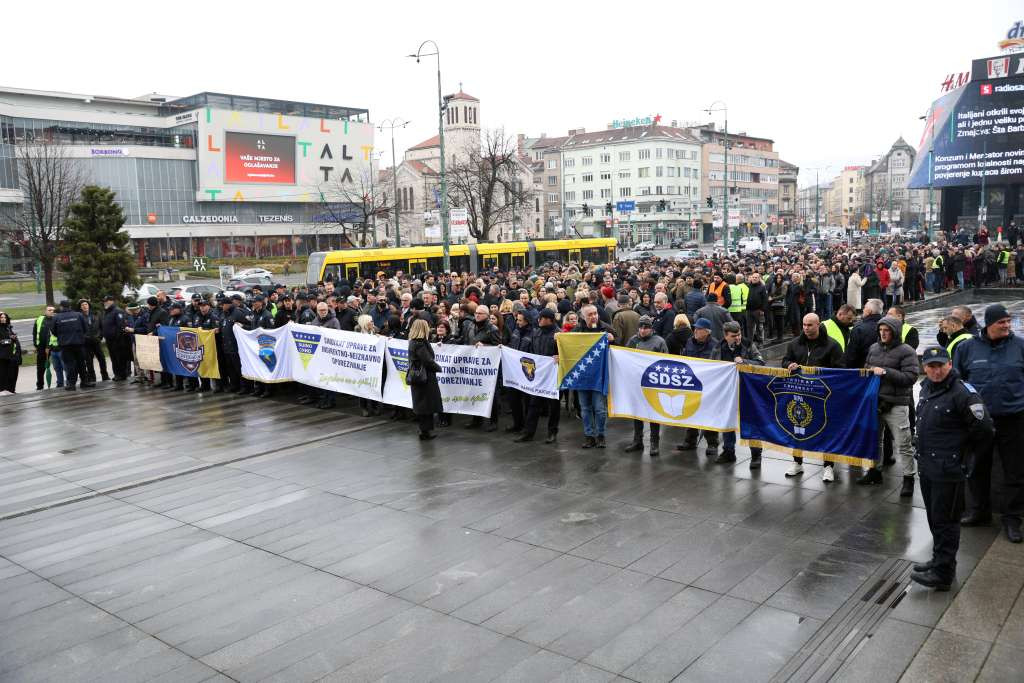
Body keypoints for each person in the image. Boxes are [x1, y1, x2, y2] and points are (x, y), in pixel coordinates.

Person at [912, 347, 995, 590]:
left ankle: (943, 574)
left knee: (946, 521)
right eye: (931, 366)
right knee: (934, 518)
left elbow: (985, 432)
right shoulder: (927, 386)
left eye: (940, 365)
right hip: (929, 467)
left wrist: (966, 460)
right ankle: (940, 560)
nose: (936, 371)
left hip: (949, 470)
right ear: (924, 367)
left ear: (949, 364)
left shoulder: (963, 393)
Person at [954, 304, 1024, 543]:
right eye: (1001, 322)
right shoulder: (966, 348)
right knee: (977, 468)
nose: (1006, 325)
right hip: (979, 422)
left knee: (1014, 471)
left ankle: (1012, 518)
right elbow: (958, 383)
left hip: (1013, 419)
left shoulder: (1020, 346)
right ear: (988, 324)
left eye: (1008, 321)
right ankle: (979, 511)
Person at [857, 315, 920, 493]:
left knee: (903, 443)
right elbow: (867, 368)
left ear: (895, 332)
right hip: (875, 403)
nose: (883, 334)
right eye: (881, 330)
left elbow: (910, 378)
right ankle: (874, 471)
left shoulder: (907, 351)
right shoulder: (873, 348)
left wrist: (885, 372)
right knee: (873, 441)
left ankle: (908, 478)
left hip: (896, 404)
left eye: (887, 331)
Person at [781, 313, 844, 481]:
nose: (806, 328)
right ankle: (797, 462)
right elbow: (785, 360)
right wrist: (789, 365)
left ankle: (829, 466)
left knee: (826, 430)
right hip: (799, 395)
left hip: (822, 396)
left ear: (818, 325)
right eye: (804, 325)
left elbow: (840, 369)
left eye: (810, 325)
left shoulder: (832, 345)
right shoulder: (795, 344)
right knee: (797, 428)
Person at [717, 321, 765, 467]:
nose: (737, 338)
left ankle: (756, 455)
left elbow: (761, 363)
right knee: (727, 421)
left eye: (739, 334)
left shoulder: (748, 344)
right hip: (727, 391)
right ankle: (728, 451)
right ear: (726, 336)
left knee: (751, 422)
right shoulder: (719, 347)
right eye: (733, 336)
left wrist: (744, 361)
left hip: (747, 390)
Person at [624, 315, 668, 457]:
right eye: (641, 327)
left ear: (651, 328)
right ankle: (638, 441)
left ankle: (654, 443)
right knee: (637, 412)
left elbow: (666, 361)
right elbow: (625, 357)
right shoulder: (633, 340)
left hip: (653, 384)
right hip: (637, 383)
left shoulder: (659, 342)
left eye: (646, 327)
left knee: (653, 413)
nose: (643, 330)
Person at [515, 308, 561, 444]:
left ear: (549, 320)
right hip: (539, 374)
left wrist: (560, 357)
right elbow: (532, 352)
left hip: (554, 375)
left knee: (554, 406)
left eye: (542, 318)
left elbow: (566, 354)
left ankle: (552, 432)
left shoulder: (559, 335)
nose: (539, 320)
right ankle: (528, 432)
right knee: (534, 404)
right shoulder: (537, 333)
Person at [677, 318, 721, 455]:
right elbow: (684, 358)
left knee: (709, 413)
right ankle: (690, 440)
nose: (695, 330)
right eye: (695, 328)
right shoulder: (690, 342)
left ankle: (712, 443)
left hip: (708, 385)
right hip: (691, 384)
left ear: (707, 332)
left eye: (699, 329)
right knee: (690, 411)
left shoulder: (716, 345)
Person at [573, 304, 614, 449]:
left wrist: (613, 340)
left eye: (595, 313)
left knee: (600, 409)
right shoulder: (577, 331)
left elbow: (619, 350)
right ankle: (589, 435)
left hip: (599, 376)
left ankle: (601, 434)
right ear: (583, 317)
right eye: (590, 314)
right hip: (582, 376)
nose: (594, 316)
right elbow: (568, 346)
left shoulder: (606, 329)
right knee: (585, 408)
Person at [408, 318, 442, 440]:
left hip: (417, 377)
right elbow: (427, 361)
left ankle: (425, 430)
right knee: (427, 405)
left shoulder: (413, 342)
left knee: (422, 404)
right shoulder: (420, 343)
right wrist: (438, 368)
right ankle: (426, 431)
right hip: (425, 377)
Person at [505, 311, 534, 434]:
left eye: (520, 320)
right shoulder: (516, 332)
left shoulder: (533, 334)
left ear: (527, 321)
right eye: (517, 320)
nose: (517, 322)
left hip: (526, 372)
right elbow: (512, 346)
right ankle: (517, 423)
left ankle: (527, 426)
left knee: (527, 401)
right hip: (514, 371)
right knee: (513, 399)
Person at [309, 301, 341, 409]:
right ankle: (323, 399)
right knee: (321, 379)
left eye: (325, 310)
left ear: (328, 310)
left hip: (330, 355)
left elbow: (338, 337)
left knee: (330, 379)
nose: (323, 312)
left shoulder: (334, 321)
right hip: (319, 354)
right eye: (320, 310)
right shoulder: (315, 321)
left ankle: (331, 400)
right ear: (317, 311)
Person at [842, 298, 883, 370]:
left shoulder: (859, 329)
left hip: (862, 370)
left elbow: (852, 355)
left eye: (864, 308)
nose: (863, 310)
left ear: (869, 311)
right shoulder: (886, 325)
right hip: (882, 369)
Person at [101, 296, 132, 381]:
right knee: (113, 358)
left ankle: (122, 374)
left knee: (120, 357)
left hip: (117, 340)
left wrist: (117, 338)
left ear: (112, 301)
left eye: (106, 301)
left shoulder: (117, 311)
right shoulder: (106, 312)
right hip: (109, 340)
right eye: (104, 301)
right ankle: (117, 374)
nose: (105, 302)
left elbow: (120, 326)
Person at [79, 300, 109, 383]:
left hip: (96, 340)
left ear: (89, 305)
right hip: (86, 342)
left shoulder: (96, 314)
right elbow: (79, 329)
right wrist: (83, 338)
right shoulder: (79, 316)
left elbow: (101, 326)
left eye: (86, 304)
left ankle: (105, 376)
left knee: (102, 359)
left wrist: (100, 337)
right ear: (80, 307)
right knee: (89, 361)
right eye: (83, 305)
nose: (85, 306)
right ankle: (92, 377)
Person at [33, 305, 62, 389]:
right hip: (41, 348)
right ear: (45, 312)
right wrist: (35, 345)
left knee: (58, 366)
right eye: (49, 310)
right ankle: (40, 385)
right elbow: (35, 333)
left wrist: (48, 347)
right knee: (40, 368)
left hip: (55, 347)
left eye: (53, 310)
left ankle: (60, 383)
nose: (52, 311)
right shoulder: (39, 319)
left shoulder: (57, 320)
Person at [0, 311, 22, 393]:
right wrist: (10, 340)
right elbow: (2, 342)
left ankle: (11, 390)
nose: (3, 319)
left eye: (4, 317)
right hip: (3, 358)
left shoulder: (8, 327)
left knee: (13, 375)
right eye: (1, 317)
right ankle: (3, 390)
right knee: (3, 375)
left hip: (12, 357)